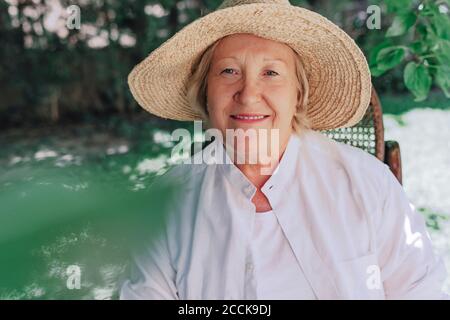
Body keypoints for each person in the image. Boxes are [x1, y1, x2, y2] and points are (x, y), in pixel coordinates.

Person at [120, 0, 447, 299]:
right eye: (229, 71)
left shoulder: (368, 184)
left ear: (298, 94)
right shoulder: (166, 204)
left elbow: (422, 289)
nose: (248, 94)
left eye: (271, 73)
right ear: (206, 92)